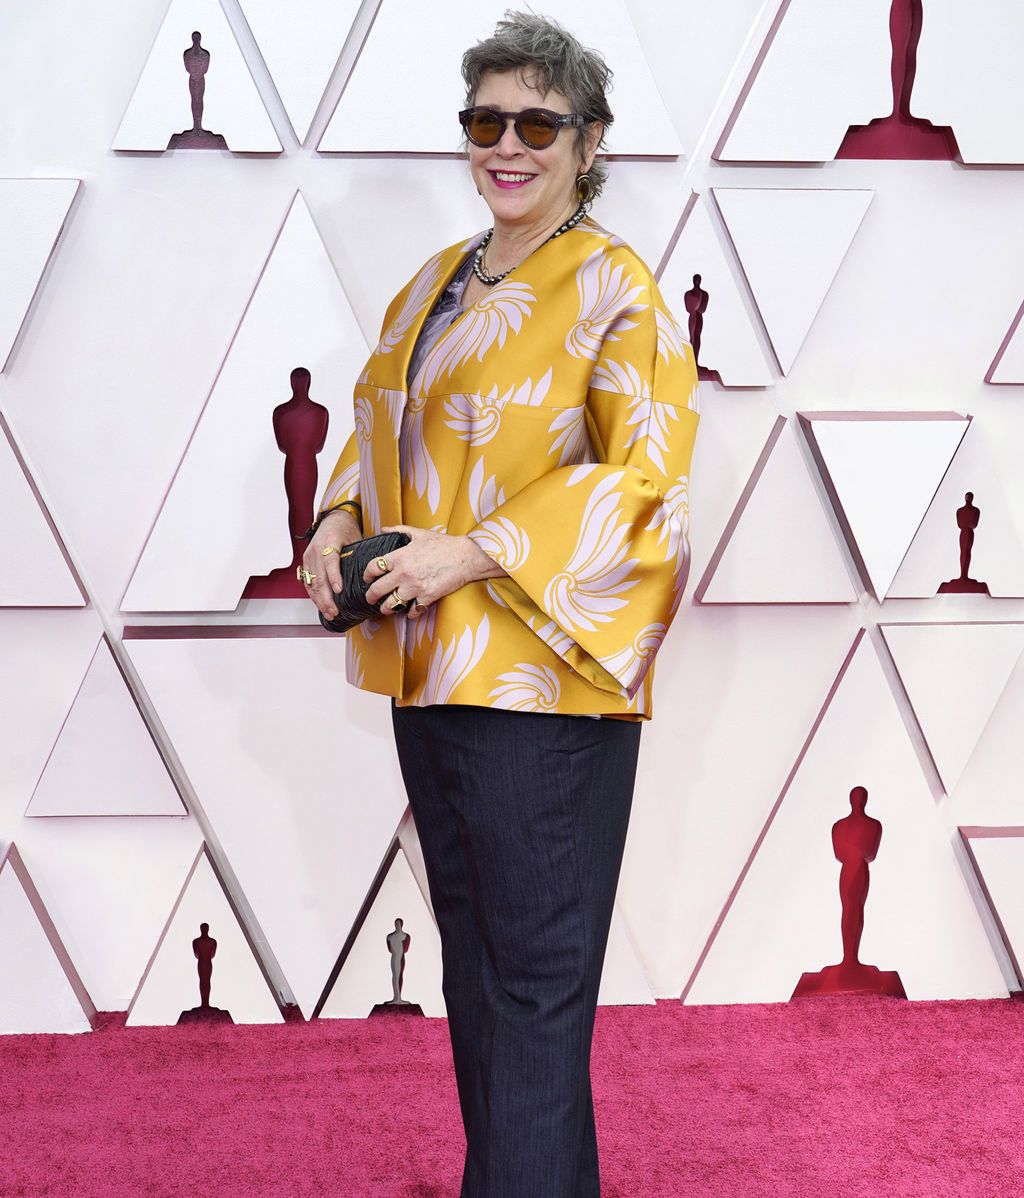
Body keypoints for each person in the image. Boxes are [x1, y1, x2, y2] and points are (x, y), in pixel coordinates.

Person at [302, 13, 699, 1196]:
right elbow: (376, 423)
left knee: (532, 981)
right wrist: (332, 523)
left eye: (537, 121)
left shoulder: (616, 287)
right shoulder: (437, 282)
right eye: (486, 121)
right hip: (430, 675)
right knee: (476, 974)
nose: (507, 145)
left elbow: (646, 489)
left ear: (588, 142)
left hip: (546, 689)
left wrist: (467, 554)